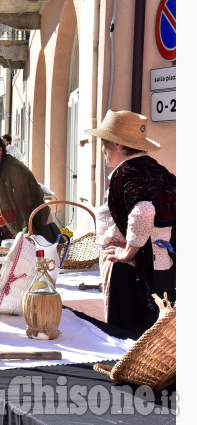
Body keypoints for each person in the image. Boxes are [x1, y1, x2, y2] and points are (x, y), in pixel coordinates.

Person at [85, 109, 175, 336]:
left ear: (117, 145)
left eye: (104, 142)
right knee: (154, 337)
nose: (102, 148)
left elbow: (144, 210)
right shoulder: (158, 170)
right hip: (163, 268)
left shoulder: (126, 173)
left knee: (126, 338)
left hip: (132, 272)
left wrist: (129, 252)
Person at [0, 134, 60, 243]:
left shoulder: (13, 169)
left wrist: (25, 238)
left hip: (34, 232)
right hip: (2, 233)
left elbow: (23, 208)